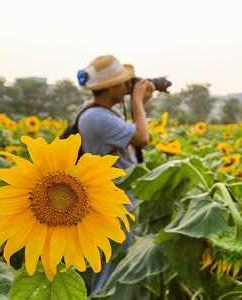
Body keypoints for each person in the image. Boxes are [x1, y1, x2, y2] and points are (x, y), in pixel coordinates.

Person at [75, 54, 154, 292]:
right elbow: (142, 138)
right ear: (110, 87)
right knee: (114, 273)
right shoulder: (96, 117)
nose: (127, 86)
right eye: (123, 82)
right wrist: (138, 102)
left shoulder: (102, 112)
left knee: (121, 266)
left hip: (120, 200)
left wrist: (139, 103)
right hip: (112, 205)